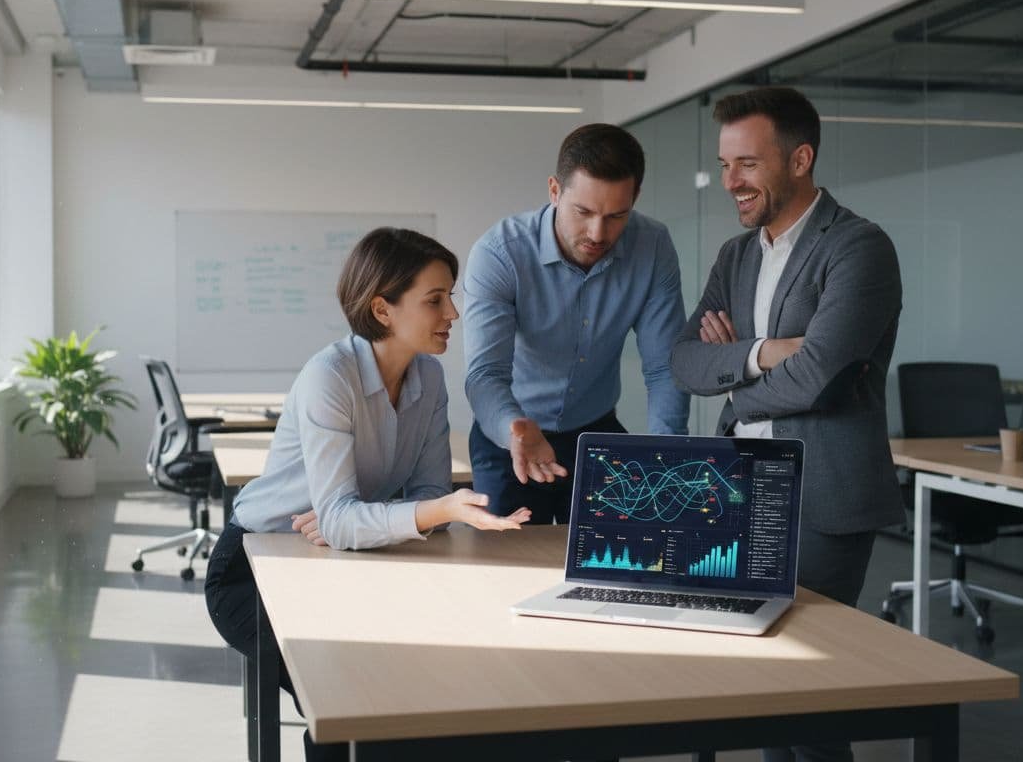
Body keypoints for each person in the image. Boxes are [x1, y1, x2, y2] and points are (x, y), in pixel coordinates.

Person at [203, 227, 530, 762]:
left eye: (452, 296)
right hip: (256, 569)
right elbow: (352, 518)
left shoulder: (429, 375)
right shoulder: (330, 377)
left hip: (338, 562)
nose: (453, 313)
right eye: (435, 299)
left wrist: (367, 521)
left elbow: (410, 500)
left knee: (405, 691)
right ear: (383, 310)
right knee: (347, 704)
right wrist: (402, 514)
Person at [670, 87, 903, 762]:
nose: (729, 181)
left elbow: (824, 373)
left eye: (746, 163)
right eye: (724, 163)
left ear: (800, 159)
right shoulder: (737, 257)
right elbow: (686, 360)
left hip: (823, 494)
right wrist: (760, 353)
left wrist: (738, 390)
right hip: (744, 493)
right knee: (768, 685)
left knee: (809, 694)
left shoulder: (858, 248)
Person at [463, 123, 689, 524]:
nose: (598, 233)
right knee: (506, 570)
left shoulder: (652, 246)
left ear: (635, 198)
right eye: (582, 212)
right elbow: (485, 374)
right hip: (511, 435)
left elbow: (662, 367)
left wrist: (666, 455)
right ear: (554, 191)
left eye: (616, 215)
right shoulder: (500, 254)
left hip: (595, 431)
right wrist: (515, 430)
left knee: (615, 562)